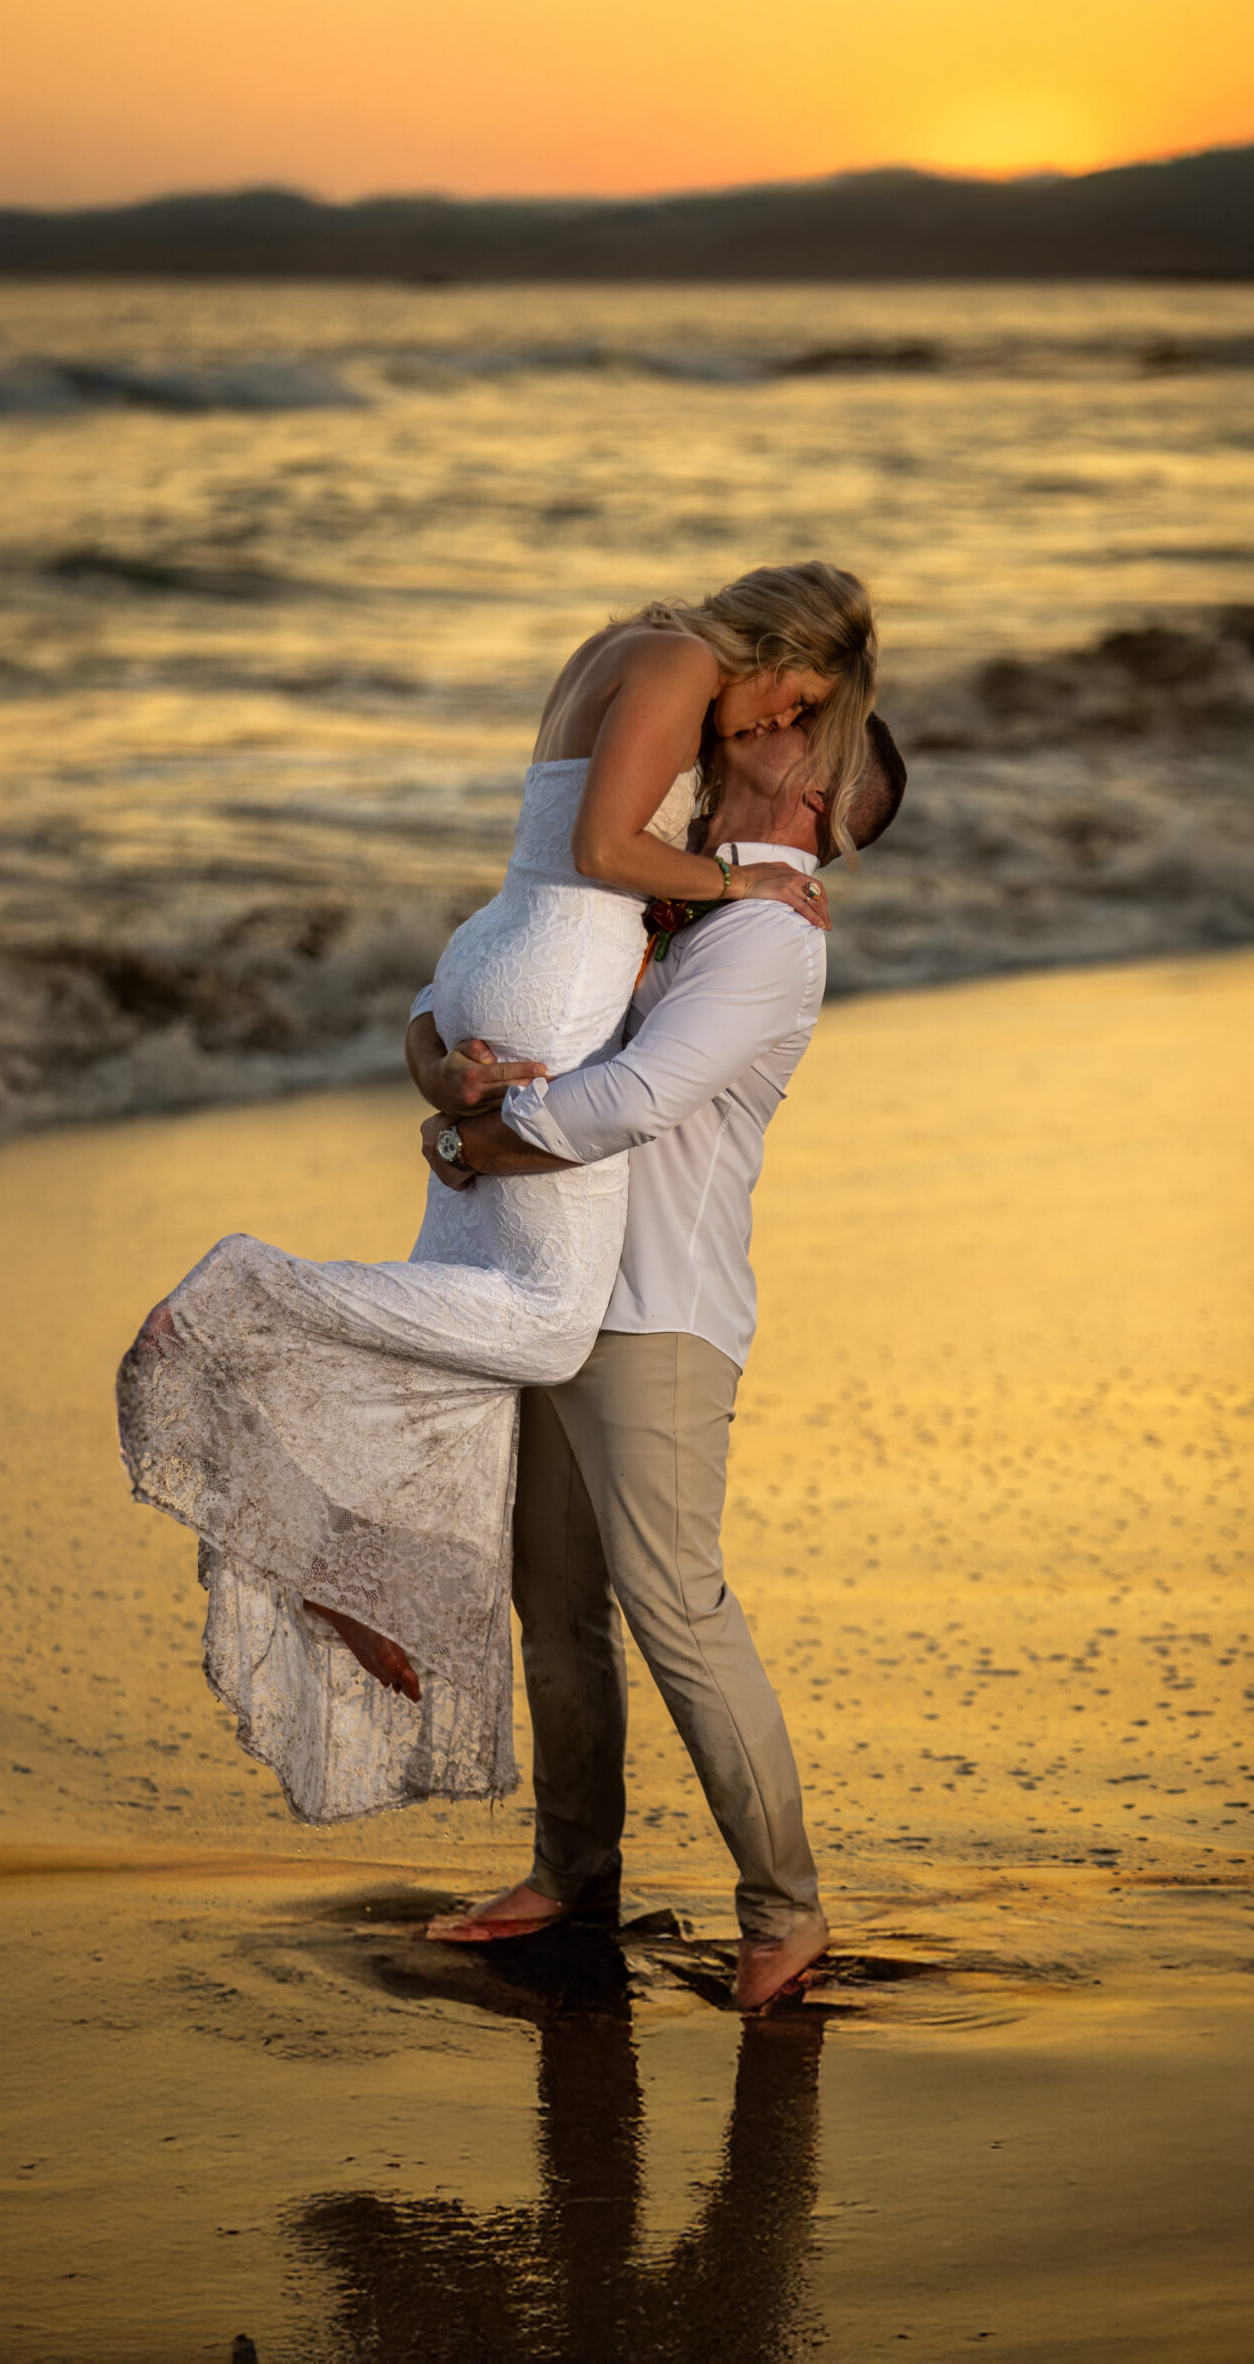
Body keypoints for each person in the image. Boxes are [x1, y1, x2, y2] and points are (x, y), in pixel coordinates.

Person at [117, 564, 876, 1832]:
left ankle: (355, 1565)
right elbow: (601, 857)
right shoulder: (686, 678)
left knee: (469, 1365)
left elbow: (571, 861)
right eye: (796, 695)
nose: (770, 723)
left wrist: (455, 1095)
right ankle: (251, 1307)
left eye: (796, 720)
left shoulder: (622, 659)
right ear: (780, 645)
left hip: (498, 946)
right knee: (541, 1324)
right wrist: (739, 883)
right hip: (552, 964)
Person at [408, 710, 908, 2009]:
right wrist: (446, 1063)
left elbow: (634, 1099)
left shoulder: (765, 937)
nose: (771, 715)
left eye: (806, 722)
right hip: (546, 1285)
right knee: (553, 1603)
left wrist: (478, 1139)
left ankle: (783, 1910)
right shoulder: (656, 873)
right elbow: (466, 989)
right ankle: (569, 1871)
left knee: (674, 1610)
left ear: (813, 794)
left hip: (655, 1318)